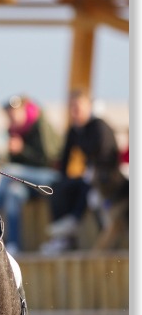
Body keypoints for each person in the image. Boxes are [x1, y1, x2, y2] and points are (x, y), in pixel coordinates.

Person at [40, 89, 121, 253]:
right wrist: (64, 179)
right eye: (72, 107)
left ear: (88, 107)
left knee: (88, 188)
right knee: (59, 186)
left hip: (107, 176)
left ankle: (74, 222)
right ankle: (63, 238)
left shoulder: (99, 126)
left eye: (78, 107)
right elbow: (65, 159)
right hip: (88, 175)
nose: (75, 111)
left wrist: (91, 171)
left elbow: (107, 155)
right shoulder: (75, 130)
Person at [0, 95, 61, 254]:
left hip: (51, 178)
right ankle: (14, 246)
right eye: (9, 113)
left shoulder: (39, 124)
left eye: (14, 112)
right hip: (29, 183)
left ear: (23, 109)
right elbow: (16, 162)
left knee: (9, 171)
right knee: (13, 193)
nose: (12, 116)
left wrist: (22, 149)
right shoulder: (13, 130)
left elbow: (47, 159)